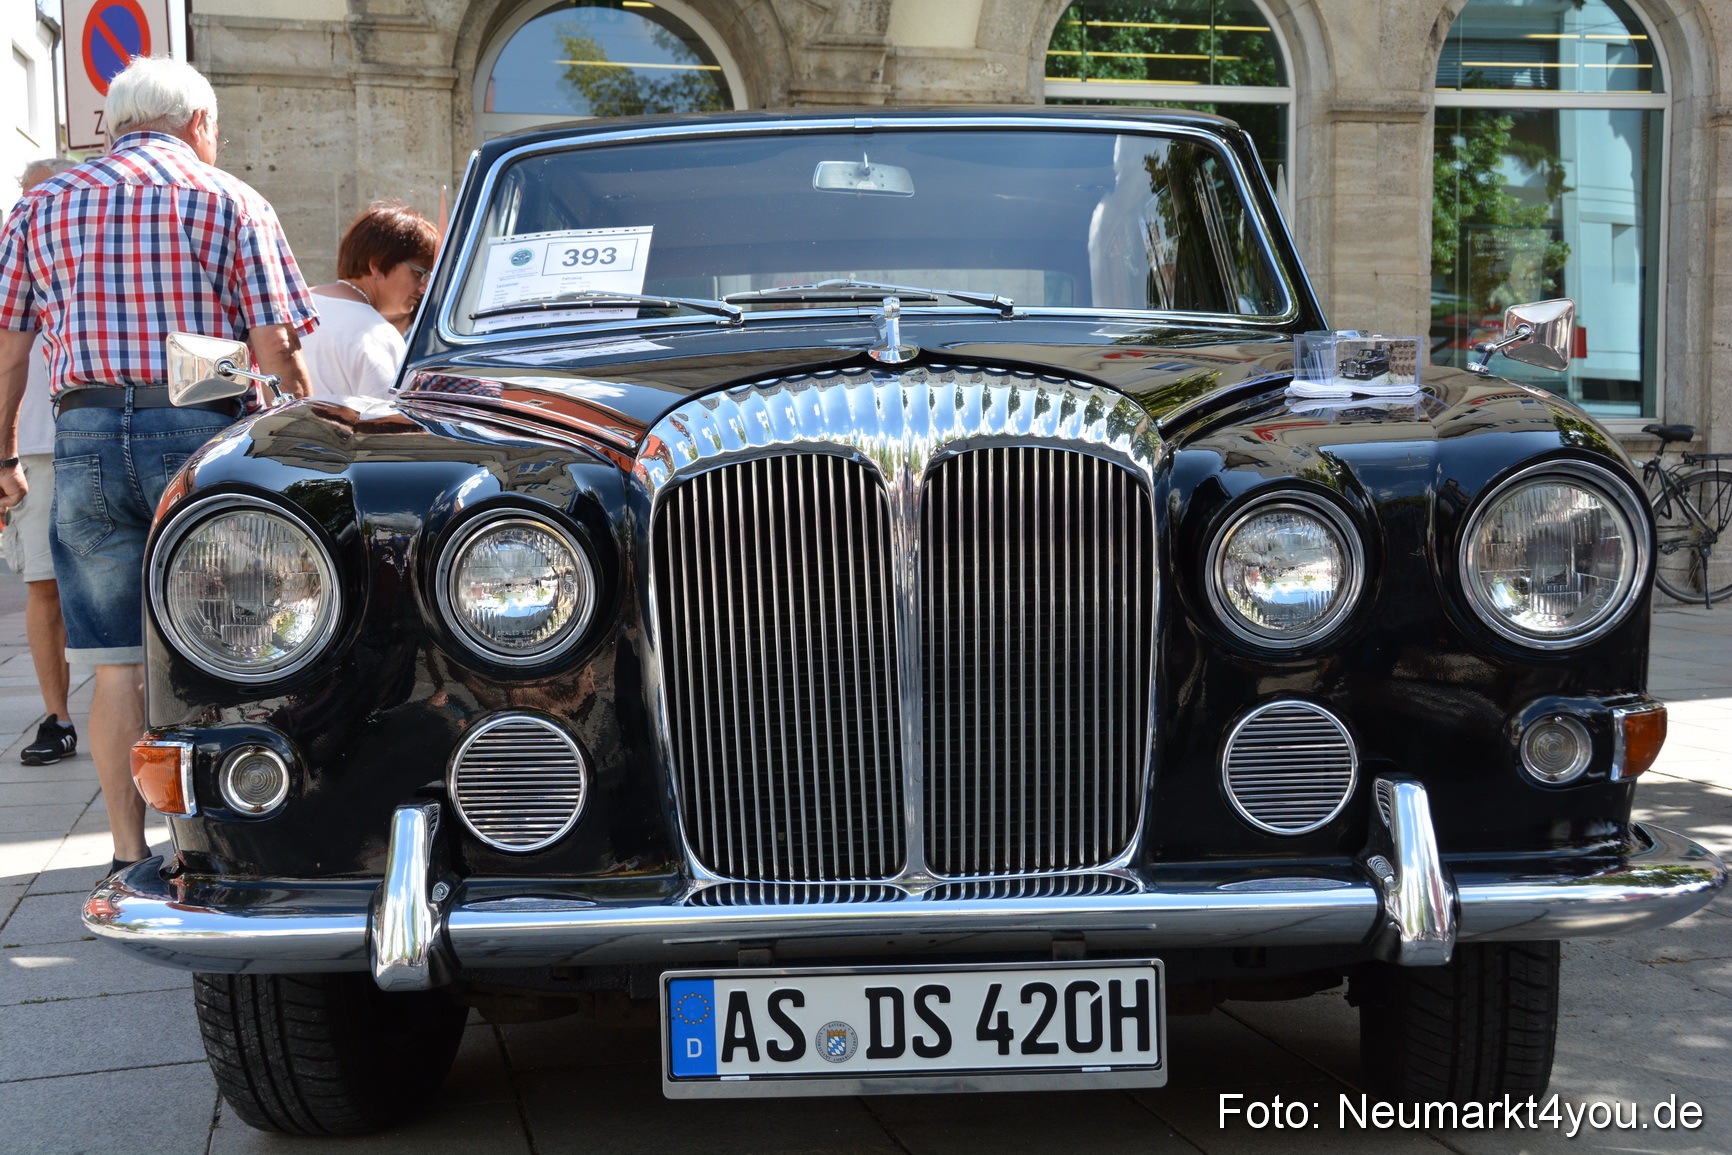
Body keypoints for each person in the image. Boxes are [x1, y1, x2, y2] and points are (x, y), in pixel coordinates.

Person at [0, 57, 317, 876]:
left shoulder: (43, 204)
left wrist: (3, 448)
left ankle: (125, 847)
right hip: (199, 435)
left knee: (114, 662)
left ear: (112, 125)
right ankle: (224, 838)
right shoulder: (231, 199)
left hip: (87, 433)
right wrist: (305, 435)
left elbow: (9, 352)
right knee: (233, 645)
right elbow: (275, 347)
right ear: (199, 123)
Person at [6, 158, 79, 765]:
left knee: (140, 583)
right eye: (27, 199)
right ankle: (58, 718)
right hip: (32, 448)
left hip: (99, 434)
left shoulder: (85, 265)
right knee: (44, 586)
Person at [300, 201, 436, 401]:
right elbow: (387, 423)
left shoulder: (298, 304)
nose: (424, 287)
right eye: (418, 273)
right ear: (377, 265)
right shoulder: (378, 334)